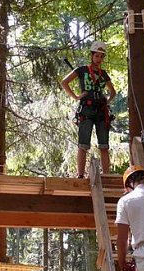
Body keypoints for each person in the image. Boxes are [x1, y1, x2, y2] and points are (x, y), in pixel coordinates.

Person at [60, 41, 116, 178]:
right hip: (86, 109)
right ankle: (80, 176)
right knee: (83, 144)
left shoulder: (104, 74)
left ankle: (106, 175)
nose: (99, 59)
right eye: (97, 56)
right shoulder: (82, 70)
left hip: (101, 111)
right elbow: (64, 82)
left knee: (104, 145)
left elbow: (113, 91)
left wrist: (106, 101)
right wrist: (76, 96)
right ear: (92, 56)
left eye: (102, 56)